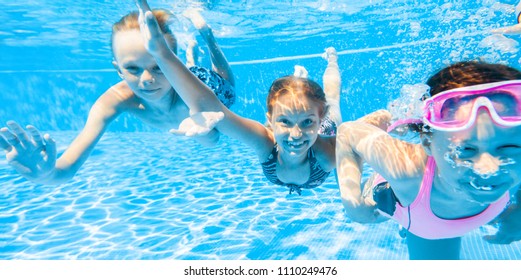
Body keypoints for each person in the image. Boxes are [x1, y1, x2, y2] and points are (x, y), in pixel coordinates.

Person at [134, 0, 392, 195]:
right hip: (316, 121)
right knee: (311, 103)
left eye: (305, 123)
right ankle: (300, 81)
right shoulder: (264, 142)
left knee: (333, 98)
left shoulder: (328, 151)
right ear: (269, 120)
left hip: (326, 128)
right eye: (285, 122)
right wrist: (162, 55)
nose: (295, 134)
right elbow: (212, 106)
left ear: (317, 117)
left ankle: (332, 61)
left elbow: (377, 132)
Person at [0, 8, 235, 184]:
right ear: (118, 69)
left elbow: (214, 140)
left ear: (172, 63)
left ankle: (208, 37)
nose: (146, 79)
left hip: (205, 85)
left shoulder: (189, 99)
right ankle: (192, 54)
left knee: (227, 86)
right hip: (184, 83)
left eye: (158, 67)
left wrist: (197, 131)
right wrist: (46, 173)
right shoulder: (113, 101)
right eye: (133, 69)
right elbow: (66, 168)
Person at [336, 61, 521, 259]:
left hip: (431, 215)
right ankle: (390, 118)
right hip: (407, 203)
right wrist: (354, 206)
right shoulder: (405, 170)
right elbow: (347, 132)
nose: (488, 169)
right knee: (370, 213)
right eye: (465, 150)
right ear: (427, 142)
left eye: (509, 148)